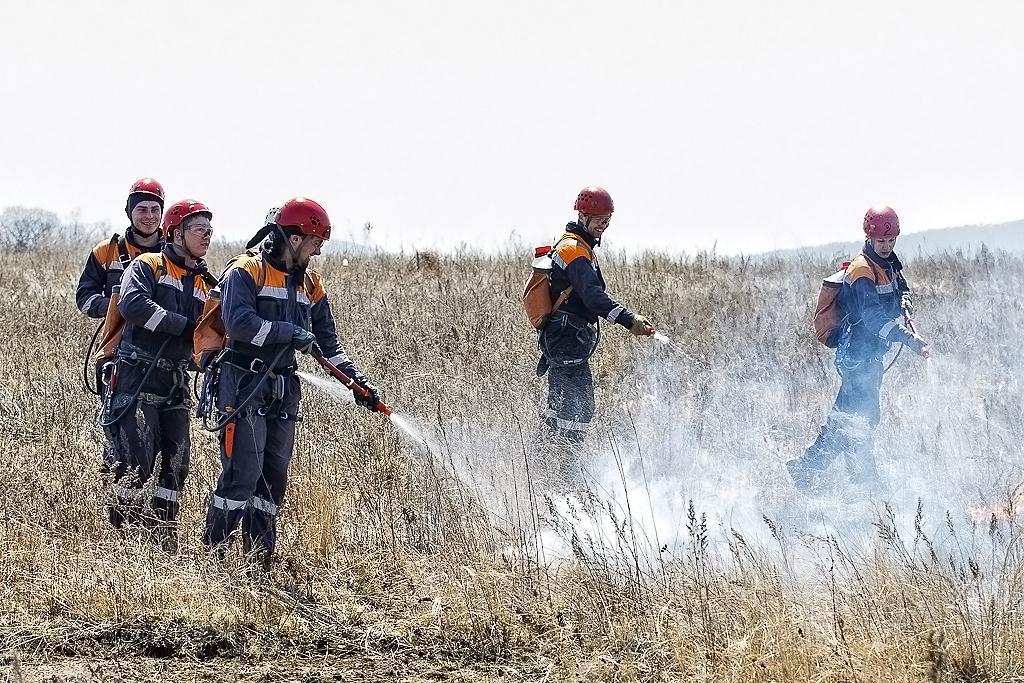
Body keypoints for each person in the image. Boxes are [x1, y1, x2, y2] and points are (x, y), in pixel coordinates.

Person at [203, 197, 383, 567]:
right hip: (242, 384)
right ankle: (214, 558)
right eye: (316, 242)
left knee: (273, 479)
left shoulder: (311, 284)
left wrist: (357, 382)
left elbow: (328, 345)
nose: (318, 252)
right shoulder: (245, 271)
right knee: (243, 475)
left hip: (283, 390)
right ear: (296, 238)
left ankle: (258, 563)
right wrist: (288, 332)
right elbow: (237, 324)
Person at [787, 205, 931, 492]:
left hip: (870, 355)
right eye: (882, 241)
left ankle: (808, 468)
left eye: (891, 241)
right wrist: (910, 340)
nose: (887, 246)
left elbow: (900, 286)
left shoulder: (887, 262)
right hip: (856, 356)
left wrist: (905, 300)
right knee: (859, 420)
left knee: (849, 419)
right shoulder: (862, 269)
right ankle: (863, 483)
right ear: (869, 237)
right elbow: (874, 318)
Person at [104, 200, 216, 544]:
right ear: (176, 232)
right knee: (137, 461)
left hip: (175, 383)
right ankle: (124, 540)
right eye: (200, 229)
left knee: (178, 463)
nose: (207, 236)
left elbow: (211, 335)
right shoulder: (147, 265)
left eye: (210, 231)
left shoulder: (207, 284)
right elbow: (133, 305)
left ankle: (161, 536)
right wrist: (185, 327)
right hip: (136, 377)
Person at [537, 186, 654, 476]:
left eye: (607, 220)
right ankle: (565, 471)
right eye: (599, 220)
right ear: (583, 215)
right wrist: (628, 319)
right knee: (578, 408)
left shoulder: (577, 245)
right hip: (566, 340)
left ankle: (542, 466)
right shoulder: (574, 249)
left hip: (563, 338)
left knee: (561, 406)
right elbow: (592, 297)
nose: (603, 226)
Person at [77, 178, 166, 321]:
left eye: (155, 210)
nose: (149, 216)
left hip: (167, 335)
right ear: (129, 212)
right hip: (117, 338)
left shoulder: (176, 253)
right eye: (142, 210)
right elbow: (84, 298)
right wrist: (116, 307)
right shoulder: (106, 251)